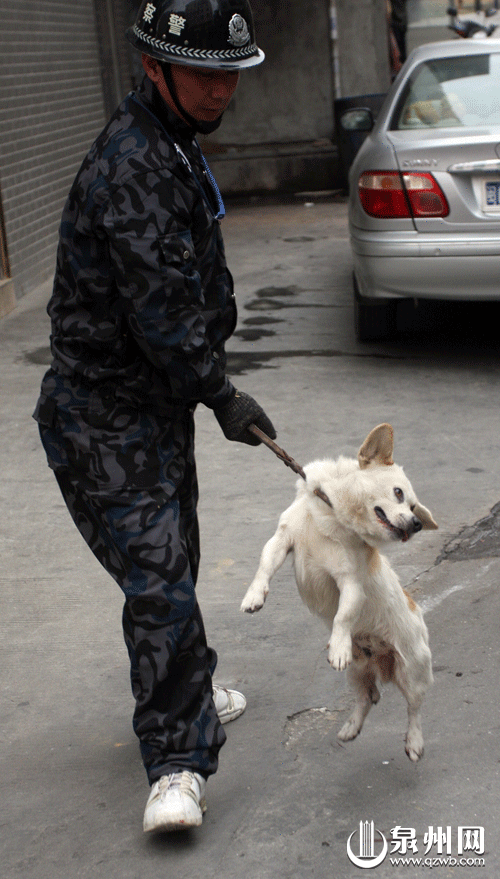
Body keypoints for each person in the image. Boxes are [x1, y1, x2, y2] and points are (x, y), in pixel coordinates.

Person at [33, 0, 275, 834]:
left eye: (229, 75)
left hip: (152, 408)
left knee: (171, 565)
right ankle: (175, 761)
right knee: (161, 582)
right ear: (154, 67)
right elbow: (164, 312)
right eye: (205, 74)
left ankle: (190, 686)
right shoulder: (133, 163)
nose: (220, 91)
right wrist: (223, 394)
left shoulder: (173, 144)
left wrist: (200, 384)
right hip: (103, 416)